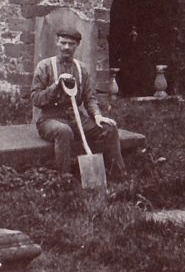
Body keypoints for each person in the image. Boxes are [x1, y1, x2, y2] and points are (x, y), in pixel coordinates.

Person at [30, 25, 126, 180]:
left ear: (77, 45)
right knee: (63, 131)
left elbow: (90, 98)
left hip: (76, 119)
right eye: (63, 43)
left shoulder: (82, 69)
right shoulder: (45, 66)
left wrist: (97, 116)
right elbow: (36, 99)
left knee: (109, 127)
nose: (66, 47)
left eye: (71, 44)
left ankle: (118, 175)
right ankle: (65, 177)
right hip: (49, 119)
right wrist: (55, 86)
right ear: (57, 42)